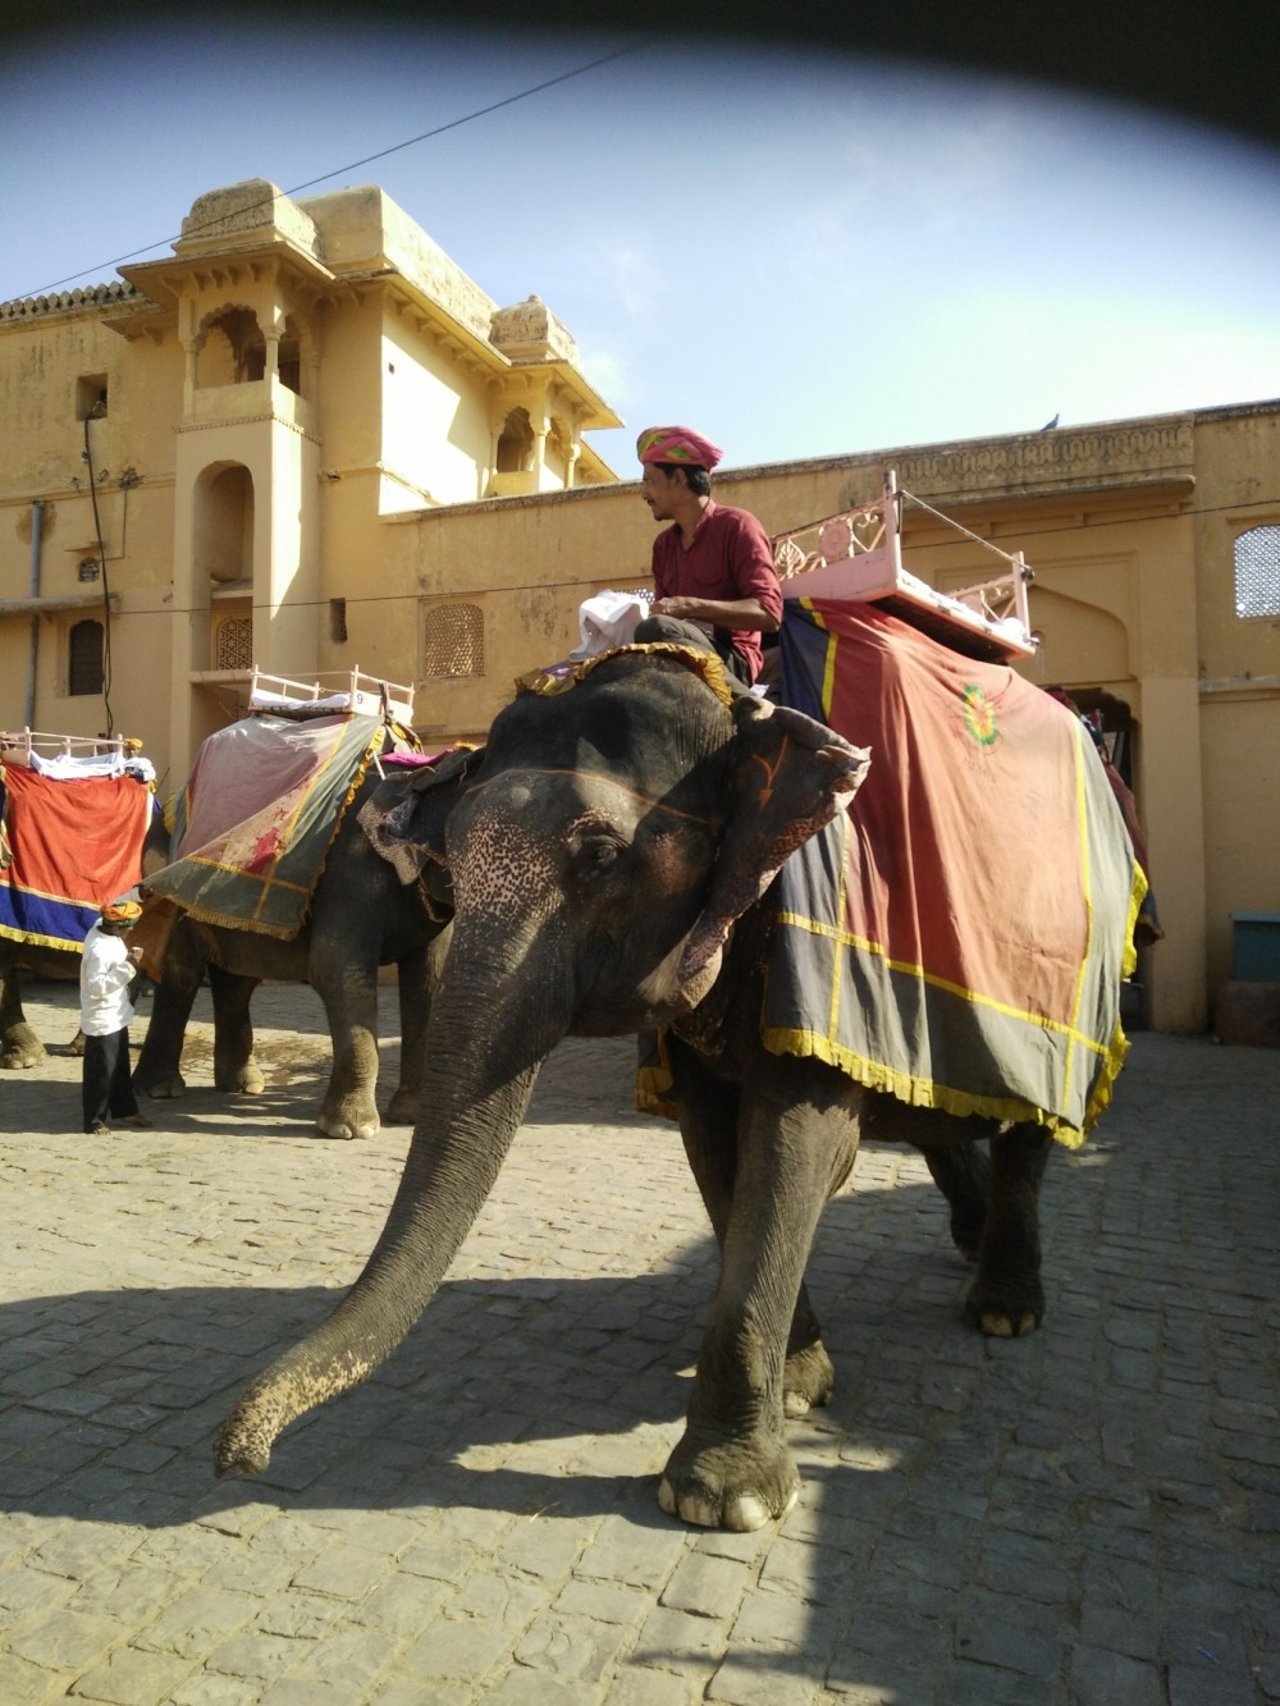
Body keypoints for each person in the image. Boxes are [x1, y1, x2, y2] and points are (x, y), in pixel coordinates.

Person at [633, 425, 783, 687]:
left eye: (649, 480)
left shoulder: (738, 526)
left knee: (655, 629)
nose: (644, 493)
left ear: (679, 478)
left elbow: (769, 613)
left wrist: (690, 606)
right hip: (679, 649)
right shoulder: (663, 546)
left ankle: (742, 701)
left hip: (732, 660)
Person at [80, 899, 151, 1135]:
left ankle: (126, 1110)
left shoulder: (102, 925)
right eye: (128, 927)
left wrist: (140, 892)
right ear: (116, 928)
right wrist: (129, 966)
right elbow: (96, 987)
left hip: (118, 1015)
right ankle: (94, 1121)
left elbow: (118, 902)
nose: (130, 930)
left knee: (120, 1067)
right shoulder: (98, 951)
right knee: (102, 1073)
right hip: (103, 1019)